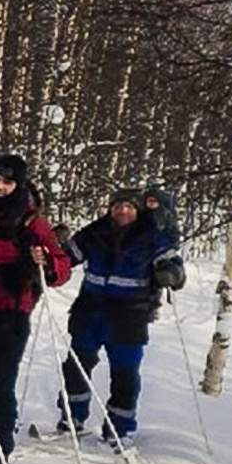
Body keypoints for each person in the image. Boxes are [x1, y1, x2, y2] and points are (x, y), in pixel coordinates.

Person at [0, 154, 71, 464]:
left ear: (17, 185)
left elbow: (60, 268)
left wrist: (45, 259)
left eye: (7, 182)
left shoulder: (29, 220)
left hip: (10, 313)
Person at [56, 188, 186, 448]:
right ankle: (72, 417)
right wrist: (53, 248)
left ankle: (119, 427)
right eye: (117, 206)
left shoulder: (152, 237)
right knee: (76, 367)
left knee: (124, 374)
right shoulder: (95, 232)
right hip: (90, 311)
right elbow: (66, 258)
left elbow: (174, 267)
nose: (122, 211)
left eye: (128, 207)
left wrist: (170, 273)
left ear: (137, 210)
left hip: (130, 316)